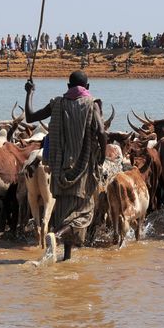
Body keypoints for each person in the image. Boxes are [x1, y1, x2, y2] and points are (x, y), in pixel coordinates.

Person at [24, 71, 107, 264]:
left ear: (68, 85)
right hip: (84, 168)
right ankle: (56, 236)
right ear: (87, 87)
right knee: (84, 213)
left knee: (64, 213)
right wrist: (102, 155)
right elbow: (102, 132)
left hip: (60, 168)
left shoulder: (57, 104)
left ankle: (66, 257)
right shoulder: (92, 104)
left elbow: (30, 117)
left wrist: (30, 92)